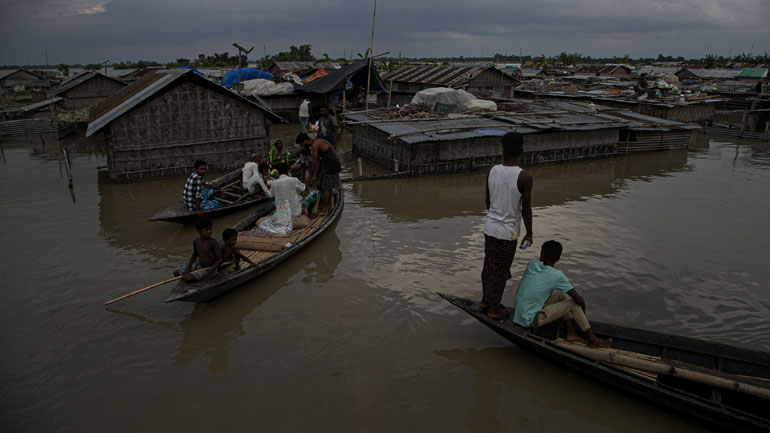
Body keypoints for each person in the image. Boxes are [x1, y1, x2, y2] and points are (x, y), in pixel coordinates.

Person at [512, 241, 611, 348]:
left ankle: (571, 333)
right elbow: (579, 300)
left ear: (541, 255)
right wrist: (583, 313)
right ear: (558, 259)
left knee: (561, 295)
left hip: (519, 315)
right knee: (573, 304)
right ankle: (593, 340)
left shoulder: (532, 263)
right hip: (529, 320)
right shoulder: (557, 276)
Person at [481, 131, 533, 319]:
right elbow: (526, 210)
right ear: (521, 151)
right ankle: (493, 309)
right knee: (501, 271)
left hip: (490, 227)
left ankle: (487, 299)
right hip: (507, 232)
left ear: (503, 149)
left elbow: (488, 202)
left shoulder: (492, 171)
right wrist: (530, 233)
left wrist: (495, 216)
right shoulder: (524, 177)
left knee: (490, 266)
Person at [295, 132, 341, 216]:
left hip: (331, 164)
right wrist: (315, 176)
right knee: (327, 186)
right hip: (330, 164)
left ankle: (325, 209)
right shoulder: (317, 142)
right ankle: (328, 206)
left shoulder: (315, 144)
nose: (302, 146)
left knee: (325, 187)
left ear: (304, 141)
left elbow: (315, 161)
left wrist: (310, 176)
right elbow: (319, 161)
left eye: (301, 144)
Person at [174, 217, 222, 284]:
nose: (209, 232)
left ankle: (200, 275)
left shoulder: (213, 242)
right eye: (206, 230)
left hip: (209, 269)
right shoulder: (196, 241)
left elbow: (219, 260)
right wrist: (188, 267)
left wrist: (208, 273)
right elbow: (194, 255)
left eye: (210, 229)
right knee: (176, 273)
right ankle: (194, 273)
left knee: (187, 278)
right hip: (198, 266)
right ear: (199, 231)